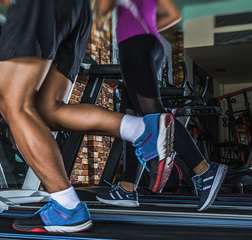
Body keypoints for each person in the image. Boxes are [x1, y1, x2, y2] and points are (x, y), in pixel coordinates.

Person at [0, 0, 174, 233]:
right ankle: (140, 129)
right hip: (77, 12)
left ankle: (65, 206)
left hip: (39, 7)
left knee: (13, 105)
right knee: (49, 110)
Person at [95, 0, 228, 212]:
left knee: (155, 117)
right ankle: (128, 188)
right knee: (131, 117)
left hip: (134, 43)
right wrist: (149, 26)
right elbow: (174, 15)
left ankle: (204, 170)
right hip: (148, 43)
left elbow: (101, 9)